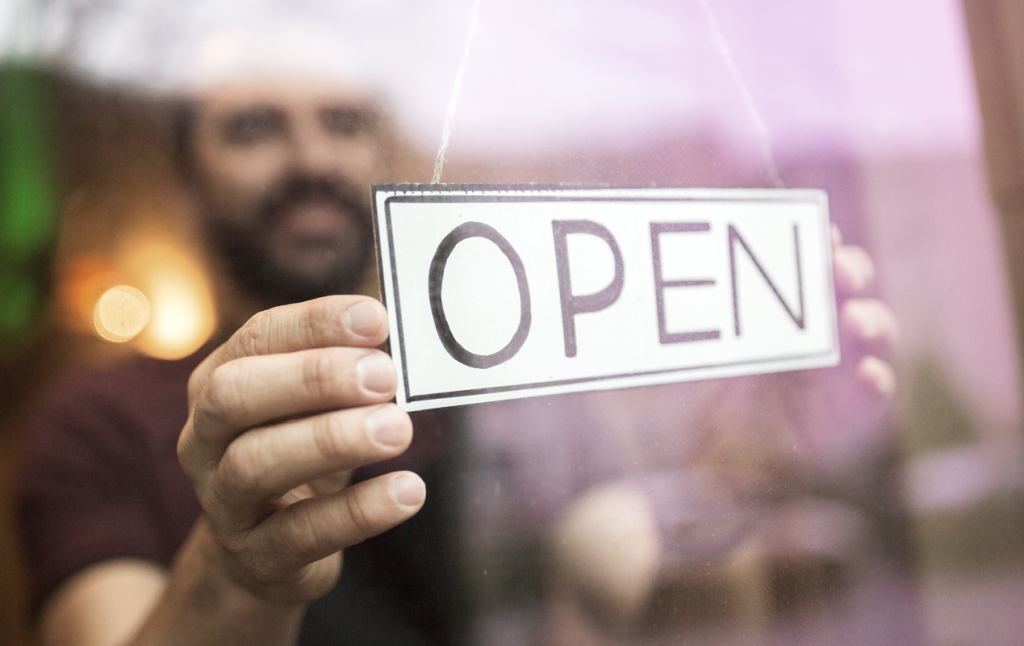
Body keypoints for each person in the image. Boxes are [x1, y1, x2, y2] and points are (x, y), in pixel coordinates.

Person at [17, 74, 897, 646]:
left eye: (344, 120)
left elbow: (630, 587)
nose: (312, 157)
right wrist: (242, 565)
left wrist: (773, 434)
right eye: (253, 128)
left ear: (387, 155)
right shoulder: (98, 425)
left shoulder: (510, 382)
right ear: (186, 181)